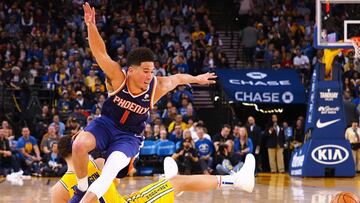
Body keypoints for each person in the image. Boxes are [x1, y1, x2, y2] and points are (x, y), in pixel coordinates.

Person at [71, 3, 217, 203]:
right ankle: (80, 188)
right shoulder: (118, 77)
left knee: (109, 172)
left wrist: (197, 78)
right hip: (106, 124)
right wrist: (90, 25)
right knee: (79, 145)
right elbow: (100, 53)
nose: (150, 75)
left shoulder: (156, 87)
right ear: (131, 70)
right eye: (146, 70)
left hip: (129, 137)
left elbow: (177, 79)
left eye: (152, 71)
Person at [52, 135, 256, 203]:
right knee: (177, 182)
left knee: (170, 184)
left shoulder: (58, 190)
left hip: (126, 201)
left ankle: (170, 187)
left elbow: (113, 186)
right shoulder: (96, 164)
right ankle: (237, 181)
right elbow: (119, 177)